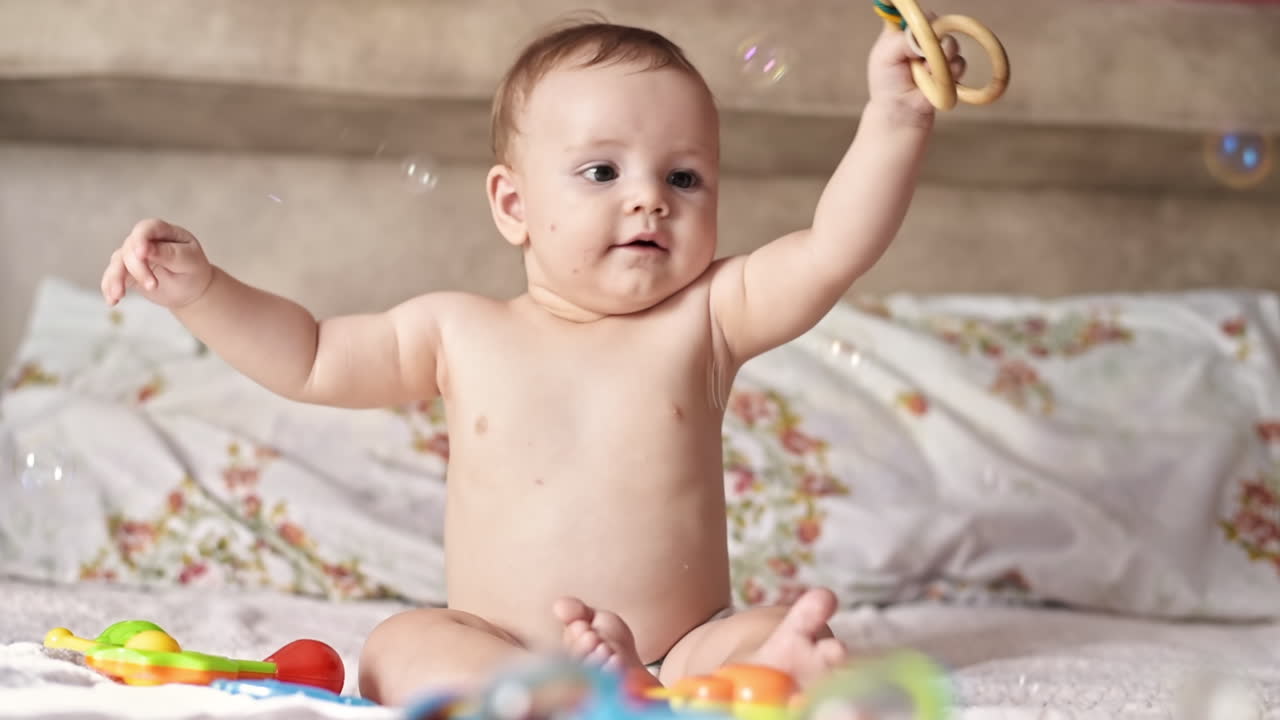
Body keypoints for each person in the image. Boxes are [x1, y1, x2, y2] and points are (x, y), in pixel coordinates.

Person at [100, 15, 963, 707]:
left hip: (682, 638)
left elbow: (833, 247)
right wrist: (202, 291)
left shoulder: (707, 318)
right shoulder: (455, 330)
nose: (649, 198)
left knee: (778, 633)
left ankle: (732, 678)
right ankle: (538, 697)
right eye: (600, 169)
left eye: (686, 178)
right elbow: (312, 356)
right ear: (513, 204)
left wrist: (897, 116)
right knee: (397, 648)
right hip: (500, 638)